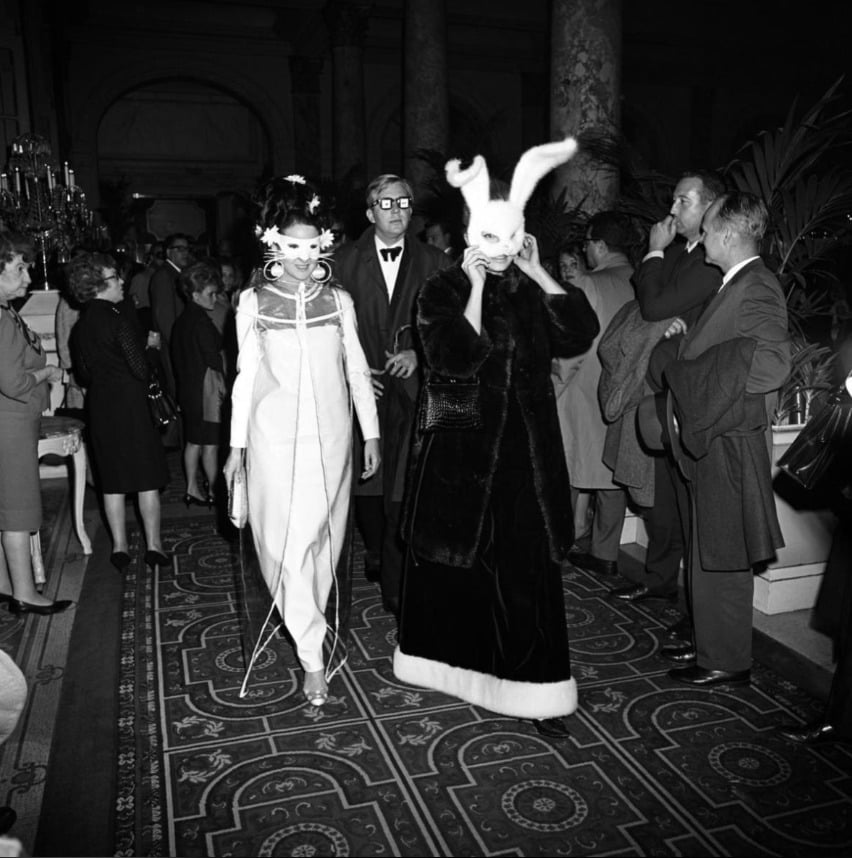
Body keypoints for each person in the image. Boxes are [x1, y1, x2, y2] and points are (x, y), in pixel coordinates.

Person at [394, 139, 600, 736]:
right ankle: (456, 669)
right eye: (491, 237)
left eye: (512, 237)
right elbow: (455, 358)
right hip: (462, 449)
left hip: (526, 454)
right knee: (459, 566)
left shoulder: (531, 286)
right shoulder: (440, 291)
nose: (502, 249)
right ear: (469, 236)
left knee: (528, 571)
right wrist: (476, 286)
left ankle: (537, 691)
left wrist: (536, 269)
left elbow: (579, 331)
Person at [223, 175, 380, 707]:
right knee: (282, 547)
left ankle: (308, 616)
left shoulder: (339, 301)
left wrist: (371, 432)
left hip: (332, 442)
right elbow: (244, 378)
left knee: (321, 546)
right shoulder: (252, 302)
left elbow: (357, 370)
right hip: (271, 441)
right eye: (293, 248)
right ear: (272, 245)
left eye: (312, 248)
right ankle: (312, 656)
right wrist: (237, 449)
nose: (303, 258)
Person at [664, 191, 790, 686]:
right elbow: (729, 349)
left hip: (732, 439)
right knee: (712, 549)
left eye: (708, 230)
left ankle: (727, 660)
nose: (701, 240)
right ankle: (712, 647)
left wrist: (700, 380)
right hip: (717, 437)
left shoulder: (756, 286)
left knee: (725, 553)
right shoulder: (735, 283)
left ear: (731, 234)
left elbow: (771, 364)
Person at [333, 174, 450, 610]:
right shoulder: (341, 261)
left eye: (403, 202)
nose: (396, 210)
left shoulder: (436, 261)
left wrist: (420, 353)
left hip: (414, 386)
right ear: (370, 213)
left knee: (405, 479)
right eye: (386, 203)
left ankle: (398, 574)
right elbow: (328, 327)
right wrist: (353, 370)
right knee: (366, 476)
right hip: (361, 386)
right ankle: (375, 547)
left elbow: (449, 321)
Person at [627, 171, 725, 618]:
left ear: (711, 206)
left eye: (683, 201)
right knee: (665, 492)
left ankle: (695, 615)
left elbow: (653, 305)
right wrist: (658, 257)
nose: (672, 210)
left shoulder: (709, 260)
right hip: (664, 387)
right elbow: (649, 300)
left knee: (689, 500)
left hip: (693, 391)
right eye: (674, 200)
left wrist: (652, 250)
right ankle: (660, 581)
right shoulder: (681, 252)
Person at [67, 252, 171, 572]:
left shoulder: (80, 327)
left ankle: (120, 548)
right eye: (115, 277)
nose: (122, 281)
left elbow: (84, 374)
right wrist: (152, 349)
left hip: (101, 406)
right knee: (146, 478)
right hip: (132, 406)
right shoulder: (118, 320)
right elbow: (140, 369)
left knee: (112, 480)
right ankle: (154, 547)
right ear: (98, 285)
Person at [555, 212, 636, 577]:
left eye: (587, 243)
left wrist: (551, 387)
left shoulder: (589, 284)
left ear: (600, 246)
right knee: (612, 473)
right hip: (624, 391)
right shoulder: (641, 280)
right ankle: (605, 552)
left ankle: (557, 548)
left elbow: (573, 346)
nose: (585, 250)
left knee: (567, 469)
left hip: (582, 391)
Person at [0, 232, 72, 614]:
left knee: (6, 509)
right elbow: (12, 383)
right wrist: (47, 372)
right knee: (18, 511)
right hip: (9, 426)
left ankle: (4, 585)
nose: (28, 277)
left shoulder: (5, 311)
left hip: (10, 422)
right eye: (19, 268)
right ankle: (24, 595)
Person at [171, 260, 226, 507]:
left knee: (194, 441)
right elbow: (214, 359)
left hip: (188, 389)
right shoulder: (202, 322)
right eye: (210, 293)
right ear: (195, 295)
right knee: (211, 444)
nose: (215, 298)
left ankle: (191, 487)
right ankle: (214, 491)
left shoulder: (182, 321)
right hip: (206, 391)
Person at [149, 233, 192, 397]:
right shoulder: (164, 276)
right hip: (173, 345)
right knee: (177, 388)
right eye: (179, 249)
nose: (185, 253)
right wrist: (177, 346)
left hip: (181, 341)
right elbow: (164, 319)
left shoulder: (180, 274)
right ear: (168, 252)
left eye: (186, 249)